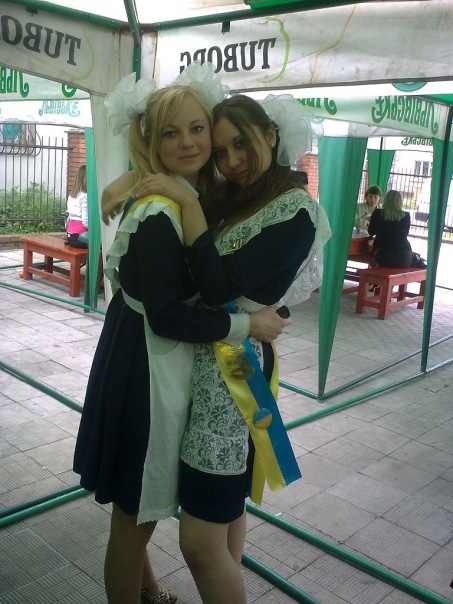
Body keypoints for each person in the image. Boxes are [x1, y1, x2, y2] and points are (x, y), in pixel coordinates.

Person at [73, 66, 289, 604]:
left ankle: (148, 592)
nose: (189, 142)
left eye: (198, 130)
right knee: (134, 517)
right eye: (171, 133)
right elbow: (168, 317)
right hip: (145, 370)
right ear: (153, 140)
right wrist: (249, 324)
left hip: (147, 359)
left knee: (138, 505)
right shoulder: (159, 213)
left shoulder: (189, 195)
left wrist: (132, 177)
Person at [141, 93, 331, 604]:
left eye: (240, 145)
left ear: (270, 134)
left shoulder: (297, 212)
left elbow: (220, 285)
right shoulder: (238, 196)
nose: (231, 161)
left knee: (199, 541)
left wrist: (188, 205)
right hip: (212, 358)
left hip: (232, 374)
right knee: (224, 518)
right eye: (221, 151)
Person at [368, 189, 413, 268]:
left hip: (385, 256)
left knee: (371, 257)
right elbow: (405, 234)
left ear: (386, 200)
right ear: (400, 202)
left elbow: (371, 232)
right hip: (405, 258)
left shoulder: (378, 213)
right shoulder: (406, 215)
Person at [66, 164, 89, 247]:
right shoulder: (85, 196)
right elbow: (86, 222)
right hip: (81, 237)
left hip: (70, 235)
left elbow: (69, 216)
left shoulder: (72, 195)